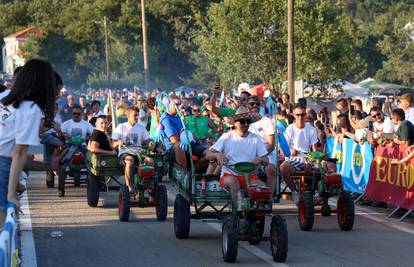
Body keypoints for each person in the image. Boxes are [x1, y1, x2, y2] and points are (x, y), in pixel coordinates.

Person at [0, 59, 57, 225]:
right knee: (3, 230)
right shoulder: (30, 108)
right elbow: (18, 153)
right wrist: (11, 193)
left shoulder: (5, 102)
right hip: (2, 164)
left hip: (4, 162)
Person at [206, 106, 268, 204]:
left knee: (261, 189)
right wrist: (217, 155)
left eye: (248, 121)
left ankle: (257, 213)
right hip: (229, 174)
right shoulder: (226, 137)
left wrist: (260, 159)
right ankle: (236, 212)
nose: (246, 124)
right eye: (243, 122)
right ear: (235, 123)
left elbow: (266, 161)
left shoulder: (256, 138)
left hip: (251, 175)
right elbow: (208, 155)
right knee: (234, 183)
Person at [279, 104, 319, 203]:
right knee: (283, 168)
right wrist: (290, 151)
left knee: (321, 168)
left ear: (305, 115)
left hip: (307, 156)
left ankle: (315, 192)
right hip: (294, 158)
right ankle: (294, 192)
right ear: (293, 115)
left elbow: (315, 149)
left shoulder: (311, 129)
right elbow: (283, 148)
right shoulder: (289, 129)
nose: (300, 117)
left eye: (302, 115)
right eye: (298, 115)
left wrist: (315, 159)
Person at [112, 107, 153, 193]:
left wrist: (151, 144)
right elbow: (113, 144)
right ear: (128, 116)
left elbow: (148, 140)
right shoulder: (121, 127)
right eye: (135, 115)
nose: (137, 117)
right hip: (125, 153)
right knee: (130, 160)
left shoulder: (141, 127)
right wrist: (119, 142)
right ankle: (128, 186)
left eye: (137, 115)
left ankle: (144, 183)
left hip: (138, 153)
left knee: (150, 161)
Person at [246, 96, 277, 195]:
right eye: (252, 104)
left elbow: (271, 145)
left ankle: (269, 198)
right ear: (247, 106)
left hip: (265, 153)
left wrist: (259, 156)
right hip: (247, 152)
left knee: (271, 169)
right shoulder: (243, 121)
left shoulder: (266, 121)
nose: (255, 106)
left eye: (257, 104)